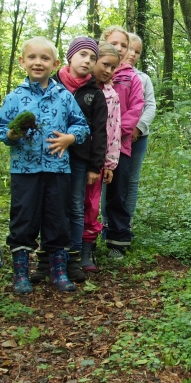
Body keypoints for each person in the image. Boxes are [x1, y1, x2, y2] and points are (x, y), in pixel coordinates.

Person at [0, 36, 89, 294]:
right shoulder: (15, 97)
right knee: (23, 218)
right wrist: (12, 135)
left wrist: (70, 138)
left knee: (58, 219)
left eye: (45, 58)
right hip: (24, 170)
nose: (38, 63)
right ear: (22, 62)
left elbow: (82, 126)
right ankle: (21, 273)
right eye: (32, 58)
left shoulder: (64, 96)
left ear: (55, 63)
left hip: (57, 169)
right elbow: (0, 128)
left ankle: (58, 270)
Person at [51, 36, 107, 283]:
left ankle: (72, 256)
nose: (87, 60)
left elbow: (100, 132)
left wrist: (96, 165)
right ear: (70, 56)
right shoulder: (52, 85)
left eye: (92, 57)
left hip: (80, 159)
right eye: (83, 54)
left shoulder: (95, 94)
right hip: (52, 157)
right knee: (54, 206)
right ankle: (52, 255)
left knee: (75, 205)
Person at [100, 25, 145, 258]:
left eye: (123, 45)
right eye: (114, 43)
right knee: (84, 193)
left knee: (118, 192)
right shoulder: (93, 72)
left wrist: (116, 132)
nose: (119, 48)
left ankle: (118, 241)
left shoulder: (132, 78)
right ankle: (80, 242)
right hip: (90, 147)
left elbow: (137, 107)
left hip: (121, 147)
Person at [80, 41, 123, 272]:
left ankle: (87, 252)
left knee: (91, 205)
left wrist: (109, 164)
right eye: (105, 64)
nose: (108, 71)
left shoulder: (111, 95)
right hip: (75, 157)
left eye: (113, 67)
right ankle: (66, 250)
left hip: (97, 160)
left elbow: (113, 131)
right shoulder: (78, 89)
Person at [123, 32, 156, 234]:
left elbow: (150, 106)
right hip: (115, 139)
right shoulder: (109, 75)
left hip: (138, 137)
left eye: (137, 52)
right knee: (110, 179)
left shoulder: (143, 79)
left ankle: (126, 222)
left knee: (131, 180)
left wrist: (138, 128)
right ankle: (107, 222)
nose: (133, 54)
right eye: (130, 49)